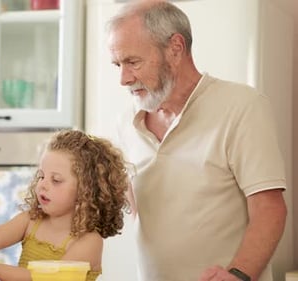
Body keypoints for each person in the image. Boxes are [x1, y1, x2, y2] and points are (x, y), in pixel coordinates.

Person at [107, 1, 287, 281]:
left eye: (133, 62)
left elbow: (270, 208)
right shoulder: (125, 122)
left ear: (175, 49)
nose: (123, 78)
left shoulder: (242, 106)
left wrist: (238, 275)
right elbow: (137, 211)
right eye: (117, 64)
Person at [0, 129, 132, 281]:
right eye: (42, 176)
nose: (43, 184)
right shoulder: (31, 220)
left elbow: (45, 279)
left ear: (87, 190)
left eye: (56, 180)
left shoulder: (88, 241)